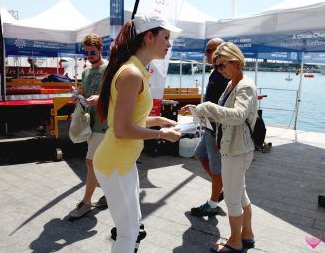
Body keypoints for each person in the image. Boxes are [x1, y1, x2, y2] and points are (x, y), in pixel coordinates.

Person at [94, 13, 182, 252]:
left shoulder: (135, 70)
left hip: (122, 161)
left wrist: (160, 121)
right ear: (149, 37)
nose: (169, 43)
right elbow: (122, 129)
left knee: (133, 226)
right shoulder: (132, 73)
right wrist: (162, 134)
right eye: (165, 37)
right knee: (128, 231)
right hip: (115, 162)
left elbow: (130, 120)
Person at [184, 42, 258, 252]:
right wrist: (203, 112)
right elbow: (226, 114)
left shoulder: (244, 85)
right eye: (216, 66)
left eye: (221, 66)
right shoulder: (232, 82)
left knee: (233, 199)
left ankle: (235, 243)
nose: (219, 70)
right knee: (240, 194)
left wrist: (207, 107)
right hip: (233, 147)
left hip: (236, 149)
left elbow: (238, 115)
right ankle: (247, 235)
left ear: (235, 62)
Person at [68, 33, 108, 218]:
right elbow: (85, 95)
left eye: (92, 52)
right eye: (87, 53)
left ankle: (86, 202)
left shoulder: (110, 69)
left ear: (101, 49)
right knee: (104, 162)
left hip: (104, 123)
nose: (89, 56)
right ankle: (110, 195)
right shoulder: (85, 72)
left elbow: (116, 96)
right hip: (89, 123)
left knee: (91, 162)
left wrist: (99, 98)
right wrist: (78, 99)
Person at [189, 38, 229, 217]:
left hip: (216, 128)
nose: (206, 54)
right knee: (199, 154)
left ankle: (213, 202)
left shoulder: (223, 74)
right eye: (206, 50)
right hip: (209, 125)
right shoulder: (215, 72)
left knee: (216, 168)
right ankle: (219, 186)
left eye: (209, 50)